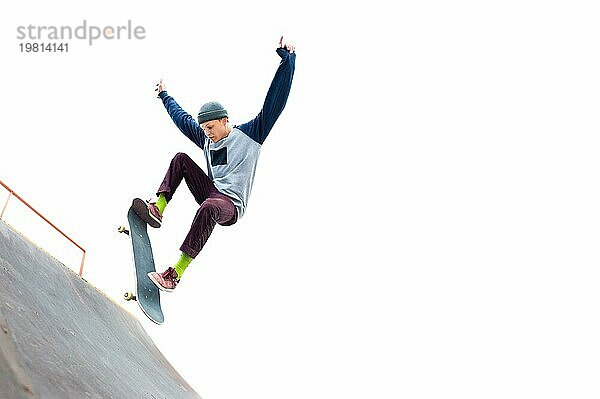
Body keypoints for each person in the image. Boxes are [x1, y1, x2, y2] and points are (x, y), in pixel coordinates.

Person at [132, 37, 296, 292]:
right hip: (211, 191)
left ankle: (175, 273)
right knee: (181, 159)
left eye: (210, 127)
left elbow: (274, 103)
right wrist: (165, 95)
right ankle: (158, 207)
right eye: (204, 129)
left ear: (224, 121)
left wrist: (288, 62)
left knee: (209, 206)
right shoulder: (205, 138)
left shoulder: (252, 134)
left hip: (230, 205)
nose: (207, 133)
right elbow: (181, 118)